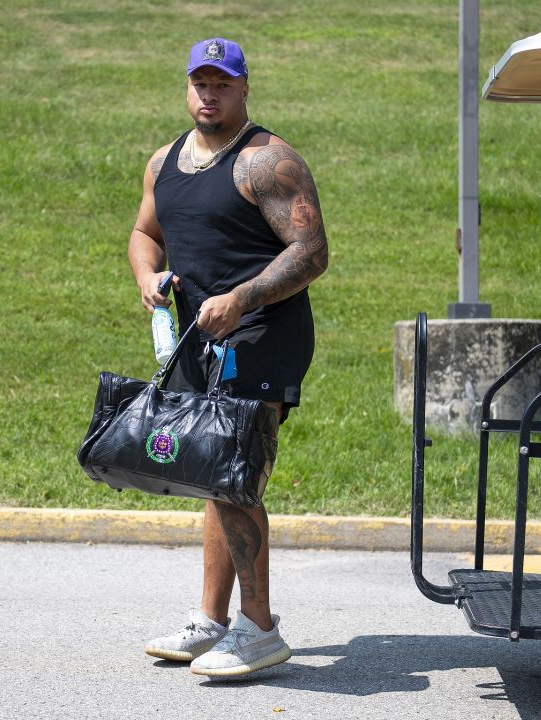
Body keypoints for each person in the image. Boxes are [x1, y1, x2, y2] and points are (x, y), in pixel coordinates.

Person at [126, 37, 328, 678]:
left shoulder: (268, 162)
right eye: (200, 83)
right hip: (196, 337)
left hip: (262, 333)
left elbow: (311, 252)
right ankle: (213, 622)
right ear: (187, 87)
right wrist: (146, 276)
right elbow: (143, 233)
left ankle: (260, 629)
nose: (209, 94)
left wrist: (241, 297)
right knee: (211, 472)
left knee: (236, 475)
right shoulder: (164, 163)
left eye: (223, 84)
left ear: (244, 89)